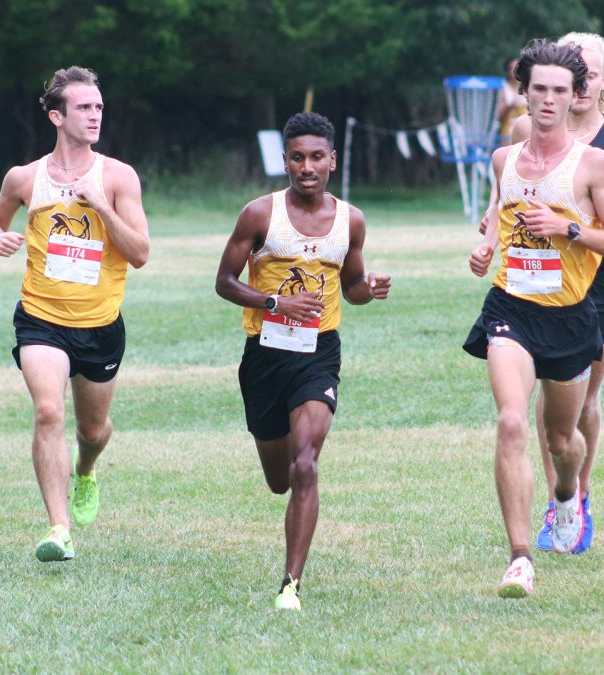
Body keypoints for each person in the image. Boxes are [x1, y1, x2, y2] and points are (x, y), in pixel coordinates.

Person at [466, 39, 604, 598]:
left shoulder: (595, 164)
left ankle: (566, 498)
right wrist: (486, 246)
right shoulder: (504, 158)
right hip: (511, 305)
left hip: (569, 315)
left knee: (562, 439)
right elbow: (499, 212)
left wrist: (569, 230)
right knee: (512, 421)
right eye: (540, 89)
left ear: (576, 94)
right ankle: (519, 560)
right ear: (524, 90)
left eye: (561, 90)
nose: (550, 100)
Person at [498, 32, 604, 556]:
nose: (581, 83)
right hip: (533, 280)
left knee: (580, 401)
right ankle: (554, 503)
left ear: (603, 82)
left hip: (595, 282)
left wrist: (583, 220)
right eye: (578, 72)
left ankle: (578, 493)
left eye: (592, 75)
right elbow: (504, 197)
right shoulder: (526, 128)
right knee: (541, 403)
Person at [215, 112, 391, 611]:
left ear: (333, 160)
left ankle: (290, 584)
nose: (307, 167)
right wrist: (274, 303)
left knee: (306, 464)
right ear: (285, 160)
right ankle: (287, 488)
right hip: (265, 358)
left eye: (317, 157)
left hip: (318, 354)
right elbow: (224, 281)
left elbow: (351, 287)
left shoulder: (350, 220)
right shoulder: (258, 215)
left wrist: (369, 289)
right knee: (280, 479)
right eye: (297, 157)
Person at [0, 66, 150, 562]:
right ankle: (59, 529)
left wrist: (101, 205)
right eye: (83, 107)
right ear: (57, 116)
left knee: (93, 431)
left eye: (98, 107)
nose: (95, 114)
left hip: (99, 324)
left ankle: (87, 470)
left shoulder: (117, 177)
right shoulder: (25, 178)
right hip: (40, 317)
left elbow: (139, 254)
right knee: (48, 410)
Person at [496, 58, 529, 144]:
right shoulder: (504, 88)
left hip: (526, 132)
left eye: (518, 68)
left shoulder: (529, 87)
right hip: (508, 131)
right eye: (512, 68)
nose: (515, 71)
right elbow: (499, 116)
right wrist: (510, 106)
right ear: (508, 71)